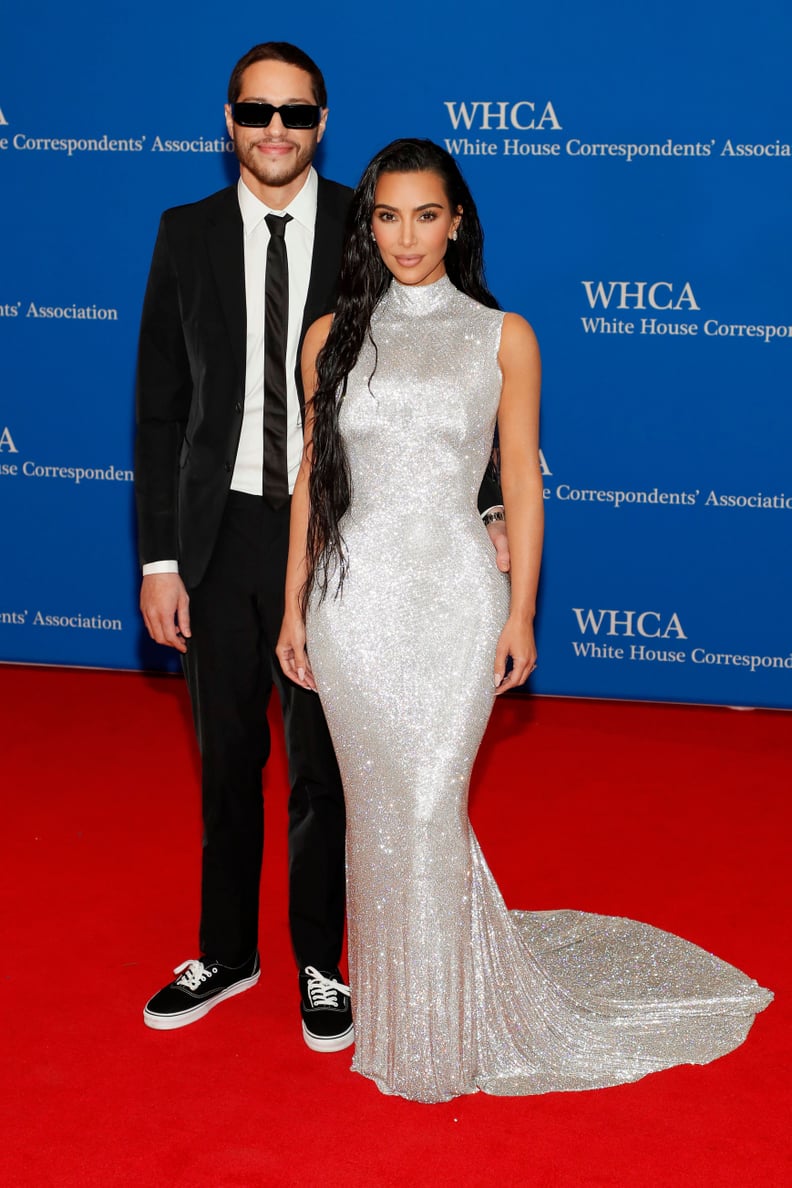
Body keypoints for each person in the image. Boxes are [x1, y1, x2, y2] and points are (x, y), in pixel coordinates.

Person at [277, 138, 772, 1102]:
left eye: (426, 215)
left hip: (457, 596)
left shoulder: (504, 335)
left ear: (457, 221)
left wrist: (521, 610)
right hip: (352, 603)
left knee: (428, 805)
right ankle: (406, 1007)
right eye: (387, 216)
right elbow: (312, 483)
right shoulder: (329, 335)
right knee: (382, 815)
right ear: (365, 223)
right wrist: (296, 600)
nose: (406, 237)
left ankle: (442, 1027)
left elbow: (519, 484)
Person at [134, 47, 506, 1048]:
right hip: (217, 536)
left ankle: (318, 962)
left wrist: (489, 502)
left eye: (294, 111)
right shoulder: (185, 235)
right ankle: (225, 950)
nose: (275, 127)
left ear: (321, 121)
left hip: (340, 543)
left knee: (322, 771)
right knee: (225, 758)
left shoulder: (370, 217)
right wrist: (159, 558)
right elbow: (162, 409)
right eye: (257, 109)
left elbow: (453, 371)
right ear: (229, 120)